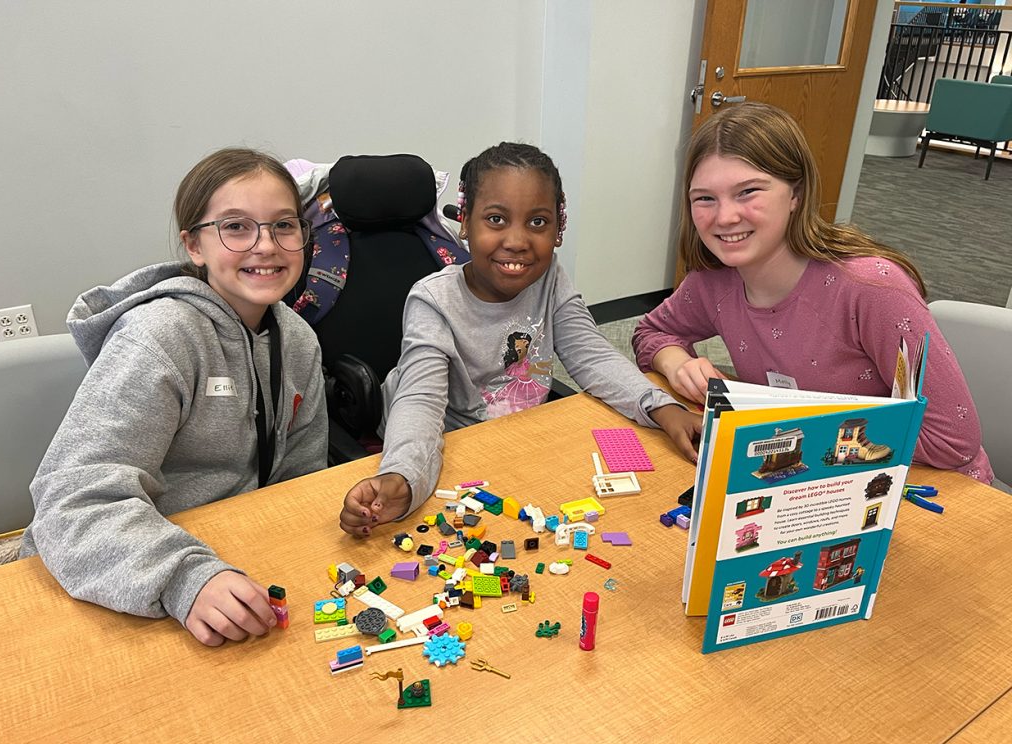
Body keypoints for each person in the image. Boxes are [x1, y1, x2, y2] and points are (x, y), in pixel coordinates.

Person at [21, 148, 329, 645]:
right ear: (195, 245)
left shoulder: (297, 339)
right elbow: (72, 501)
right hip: (128, 578)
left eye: (284, 226)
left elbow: (300, 475)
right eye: (235, 227)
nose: (266, 246)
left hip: (233, 562)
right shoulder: (160, 337)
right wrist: (185, 577)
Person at [339, 142, 701, 535]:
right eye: (496, 219)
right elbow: (420, 401)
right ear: (464, 222)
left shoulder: (549, 279)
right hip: (448, 447)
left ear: (559, 229)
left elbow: (593, 356)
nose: (517, 240)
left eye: (538, 222)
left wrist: (662, 408)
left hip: (518, 442)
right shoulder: (433, 300)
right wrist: (402, 476)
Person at [632, 103, 992, 484]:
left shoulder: (871, 288)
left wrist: (801, 429)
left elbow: (952, 442)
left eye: (748, 192)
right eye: (705, 198)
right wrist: (678, 364)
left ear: (795, 195)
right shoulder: (714, 281)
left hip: (931, 487)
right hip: (813, 481)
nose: (724, 217)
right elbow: (649, 334)